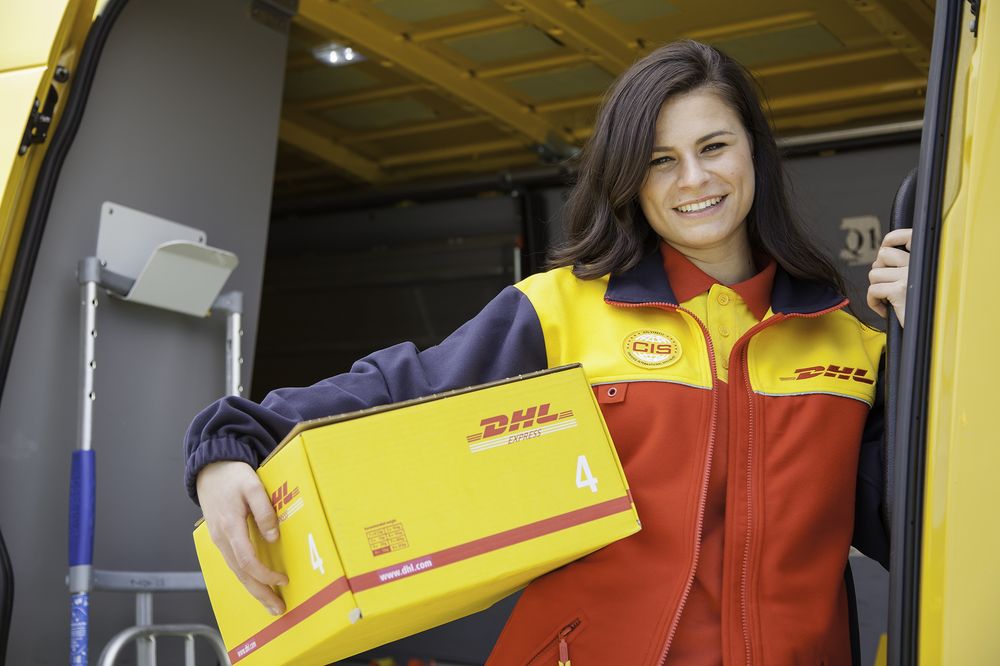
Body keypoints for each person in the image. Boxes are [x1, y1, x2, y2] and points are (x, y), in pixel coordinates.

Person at [186, 40, 911, 665]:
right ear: (630, 180)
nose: (694, 179)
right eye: (660, 160)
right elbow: (399, 386)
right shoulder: (560, 311)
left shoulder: (852, 346)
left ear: (753, 149)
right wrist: (230, 441)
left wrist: (933, 329)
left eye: (714, 147)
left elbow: (918, 527)